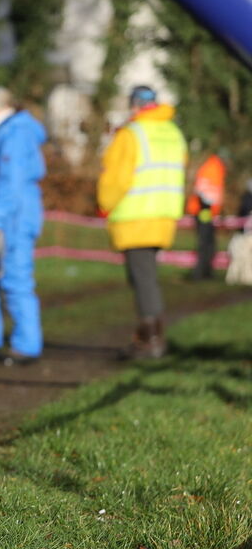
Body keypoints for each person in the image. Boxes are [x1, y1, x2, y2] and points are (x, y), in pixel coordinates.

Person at [97, 85, 186, 359]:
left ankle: (150, 342)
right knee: (148, 277)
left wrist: (104, 203)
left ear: (134, 105)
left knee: (142, 280)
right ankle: (153, 337)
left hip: (135, 216)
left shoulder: (132, 134)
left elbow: (116, 178)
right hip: (164, 215)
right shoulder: (173, 132)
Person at [0, 86, 46, 365]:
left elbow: (10, 183)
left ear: (4, 109)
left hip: (15, 215)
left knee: (15, 281)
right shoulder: (3, 132)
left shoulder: (13, 134)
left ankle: (27, 346)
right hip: (6, 211)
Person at [186, 152, 226, 280]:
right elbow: (202, 190)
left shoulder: (217, 167)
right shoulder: (212, 167)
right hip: (203, 212)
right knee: (204, 243)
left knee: (210, 244)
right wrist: (206, 212)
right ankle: (199, 274)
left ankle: (206, 272)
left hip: (208, 212)